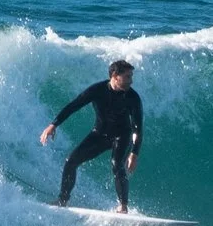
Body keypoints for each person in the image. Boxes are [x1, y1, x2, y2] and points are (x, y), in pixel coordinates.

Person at [39, 60, 143, 211]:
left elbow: (137, 128)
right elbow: (74, 105)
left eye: (131, 76)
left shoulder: (133, 98)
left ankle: (123, 206)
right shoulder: (98, 90)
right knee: (70, 161)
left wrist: (134, 152)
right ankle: (62, 200)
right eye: (127, 77)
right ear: (115, 76)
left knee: (117, 164)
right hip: (100, 134)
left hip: (122, 136)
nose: (131, 81)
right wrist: (53, 124)